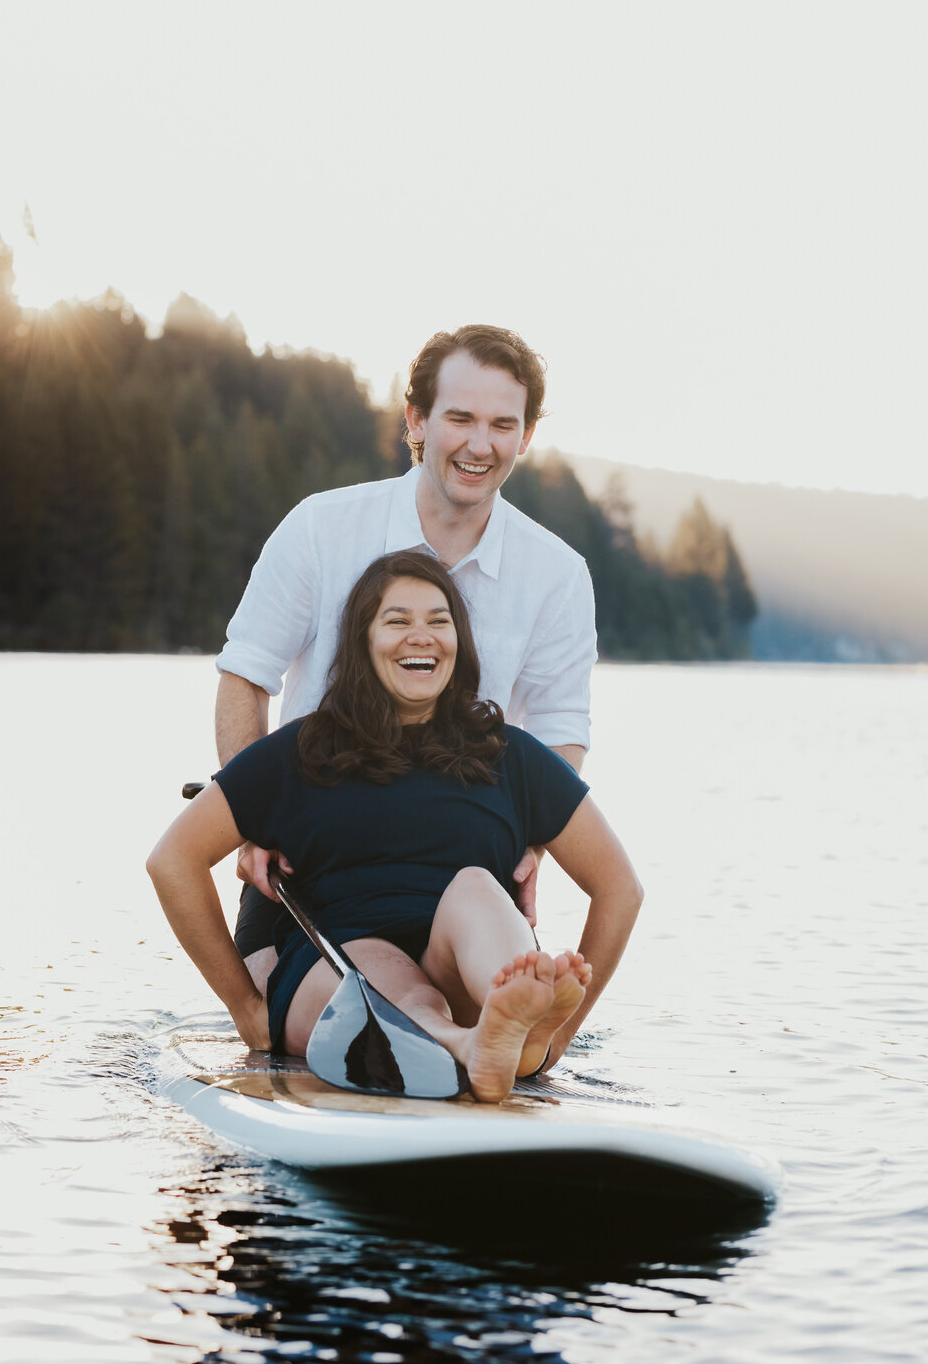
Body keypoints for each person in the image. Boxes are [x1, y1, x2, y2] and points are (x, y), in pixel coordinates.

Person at [148, 552, 643, 1103]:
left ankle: (522, 1032)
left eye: (438, 621)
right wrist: (245, 1008)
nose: (421, 637)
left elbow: (620, 887)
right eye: (398, 621)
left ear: (460, 641)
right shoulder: (300, 752)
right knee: (382, 971)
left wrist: (565, 1038)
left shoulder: (511, 756)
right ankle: (478, 1045)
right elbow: (172, 860)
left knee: (478, 887)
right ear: (363, 640)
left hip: (465, 970)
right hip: (339, 966)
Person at [216, 324, 599, 997]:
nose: (480, 445)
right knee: (268, 1018)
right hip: (313, 869)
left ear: (526, 436)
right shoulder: (320, 529)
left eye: (503, 424)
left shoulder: (558, 575)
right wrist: (255, 825)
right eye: (460, 419)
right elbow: (246, 674)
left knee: (503, 1031)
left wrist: (532, 842)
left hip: (468, 877)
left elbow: (560, 727)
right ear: (416, 419)